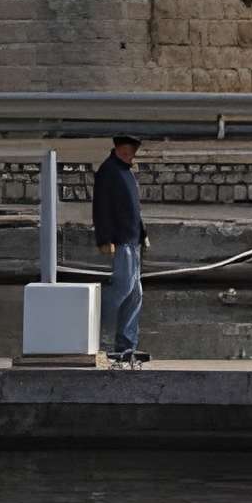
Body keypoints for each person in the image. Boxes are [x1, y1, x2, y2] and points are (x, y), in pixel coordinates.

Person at [94, 133, 147, 361]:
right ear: (116, 149)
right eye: (124, 151)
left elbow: (135, 208)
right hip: (121, 240)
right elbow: (101, 207)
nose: (128, 156)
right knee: (122, 289)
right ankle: (93, 331)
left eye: (130, 152)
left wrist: (143, 234)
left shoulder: (127, 172)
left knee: (135, 294)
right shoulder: (109, 171)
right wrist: (105, 239)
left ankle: (126, 346)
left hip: (133, 241)